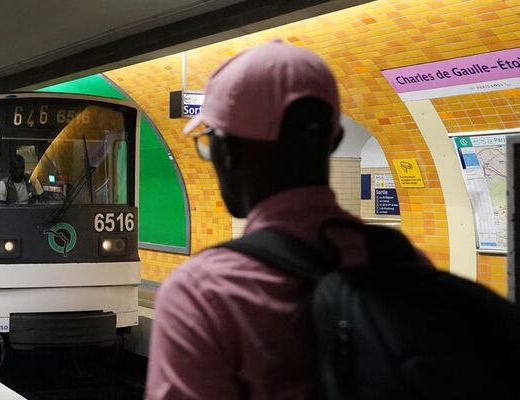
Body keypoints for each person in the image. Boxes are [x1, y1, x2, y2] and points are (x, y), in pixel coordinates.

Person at [145, 42, 426, 399]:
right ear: (335, 139)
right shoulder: (406, 264)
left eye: (208, 142)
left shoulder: (204, 293)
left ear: (227, 151)